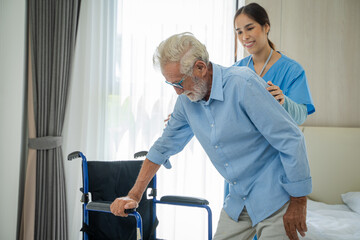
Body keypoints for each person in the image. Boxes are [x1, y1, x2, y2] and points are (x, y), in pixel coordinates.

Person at [110, 32, 311, 240]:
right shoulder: (186, 103)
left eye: (180, 83)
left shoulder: (243, 84)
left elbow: (290, 138)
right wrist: (134, 194)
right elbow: (163, 147)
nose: (178, 92)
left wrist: (299, 201)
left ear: (200, 68)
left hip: (276, 198)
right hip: (239, 200)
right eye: (172, 85)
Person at [233, 2, 315, 125]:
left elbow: (301, 116)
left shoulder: (292, 70)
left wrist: (284, 101)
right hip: (245, 143)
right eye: (239, 32)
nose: (244, 37)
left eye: (250, 28)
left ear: (266, 27)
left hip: (277, 143)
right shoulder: (236, 70)